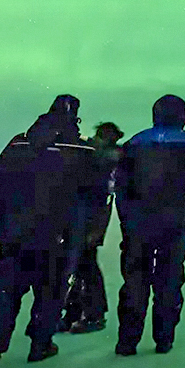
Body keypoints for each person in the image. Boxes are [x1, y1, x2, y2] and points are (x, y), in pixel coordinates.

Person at [0, 95, 101, 363]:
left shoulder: (19, 144)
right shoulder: (80, 152)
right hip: (58, 236)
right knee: (50, 292)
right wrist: (85, 233)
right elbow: (95, 196)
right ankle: (40, 344)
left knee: (6, 288)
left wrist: (0, 222)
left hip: (15, 234)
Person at [115, 94, 185, 356]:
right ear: (182, 116)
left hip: (138, 223)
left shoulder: (135, 142)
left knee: (135, 280)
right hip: (174, 221)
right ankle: (164, 338)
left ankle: (127, 341)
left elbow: (121, 185)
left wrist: (127, 218)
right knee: (169, 280)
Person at [61, 121, 124, 333]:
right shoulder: (106, 159)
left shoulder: (100, 159)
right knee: (81, 265)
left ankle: (91, 314)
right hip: (86, 218)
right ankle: (78, 313)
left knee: (84, 265)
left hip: (87, 218)